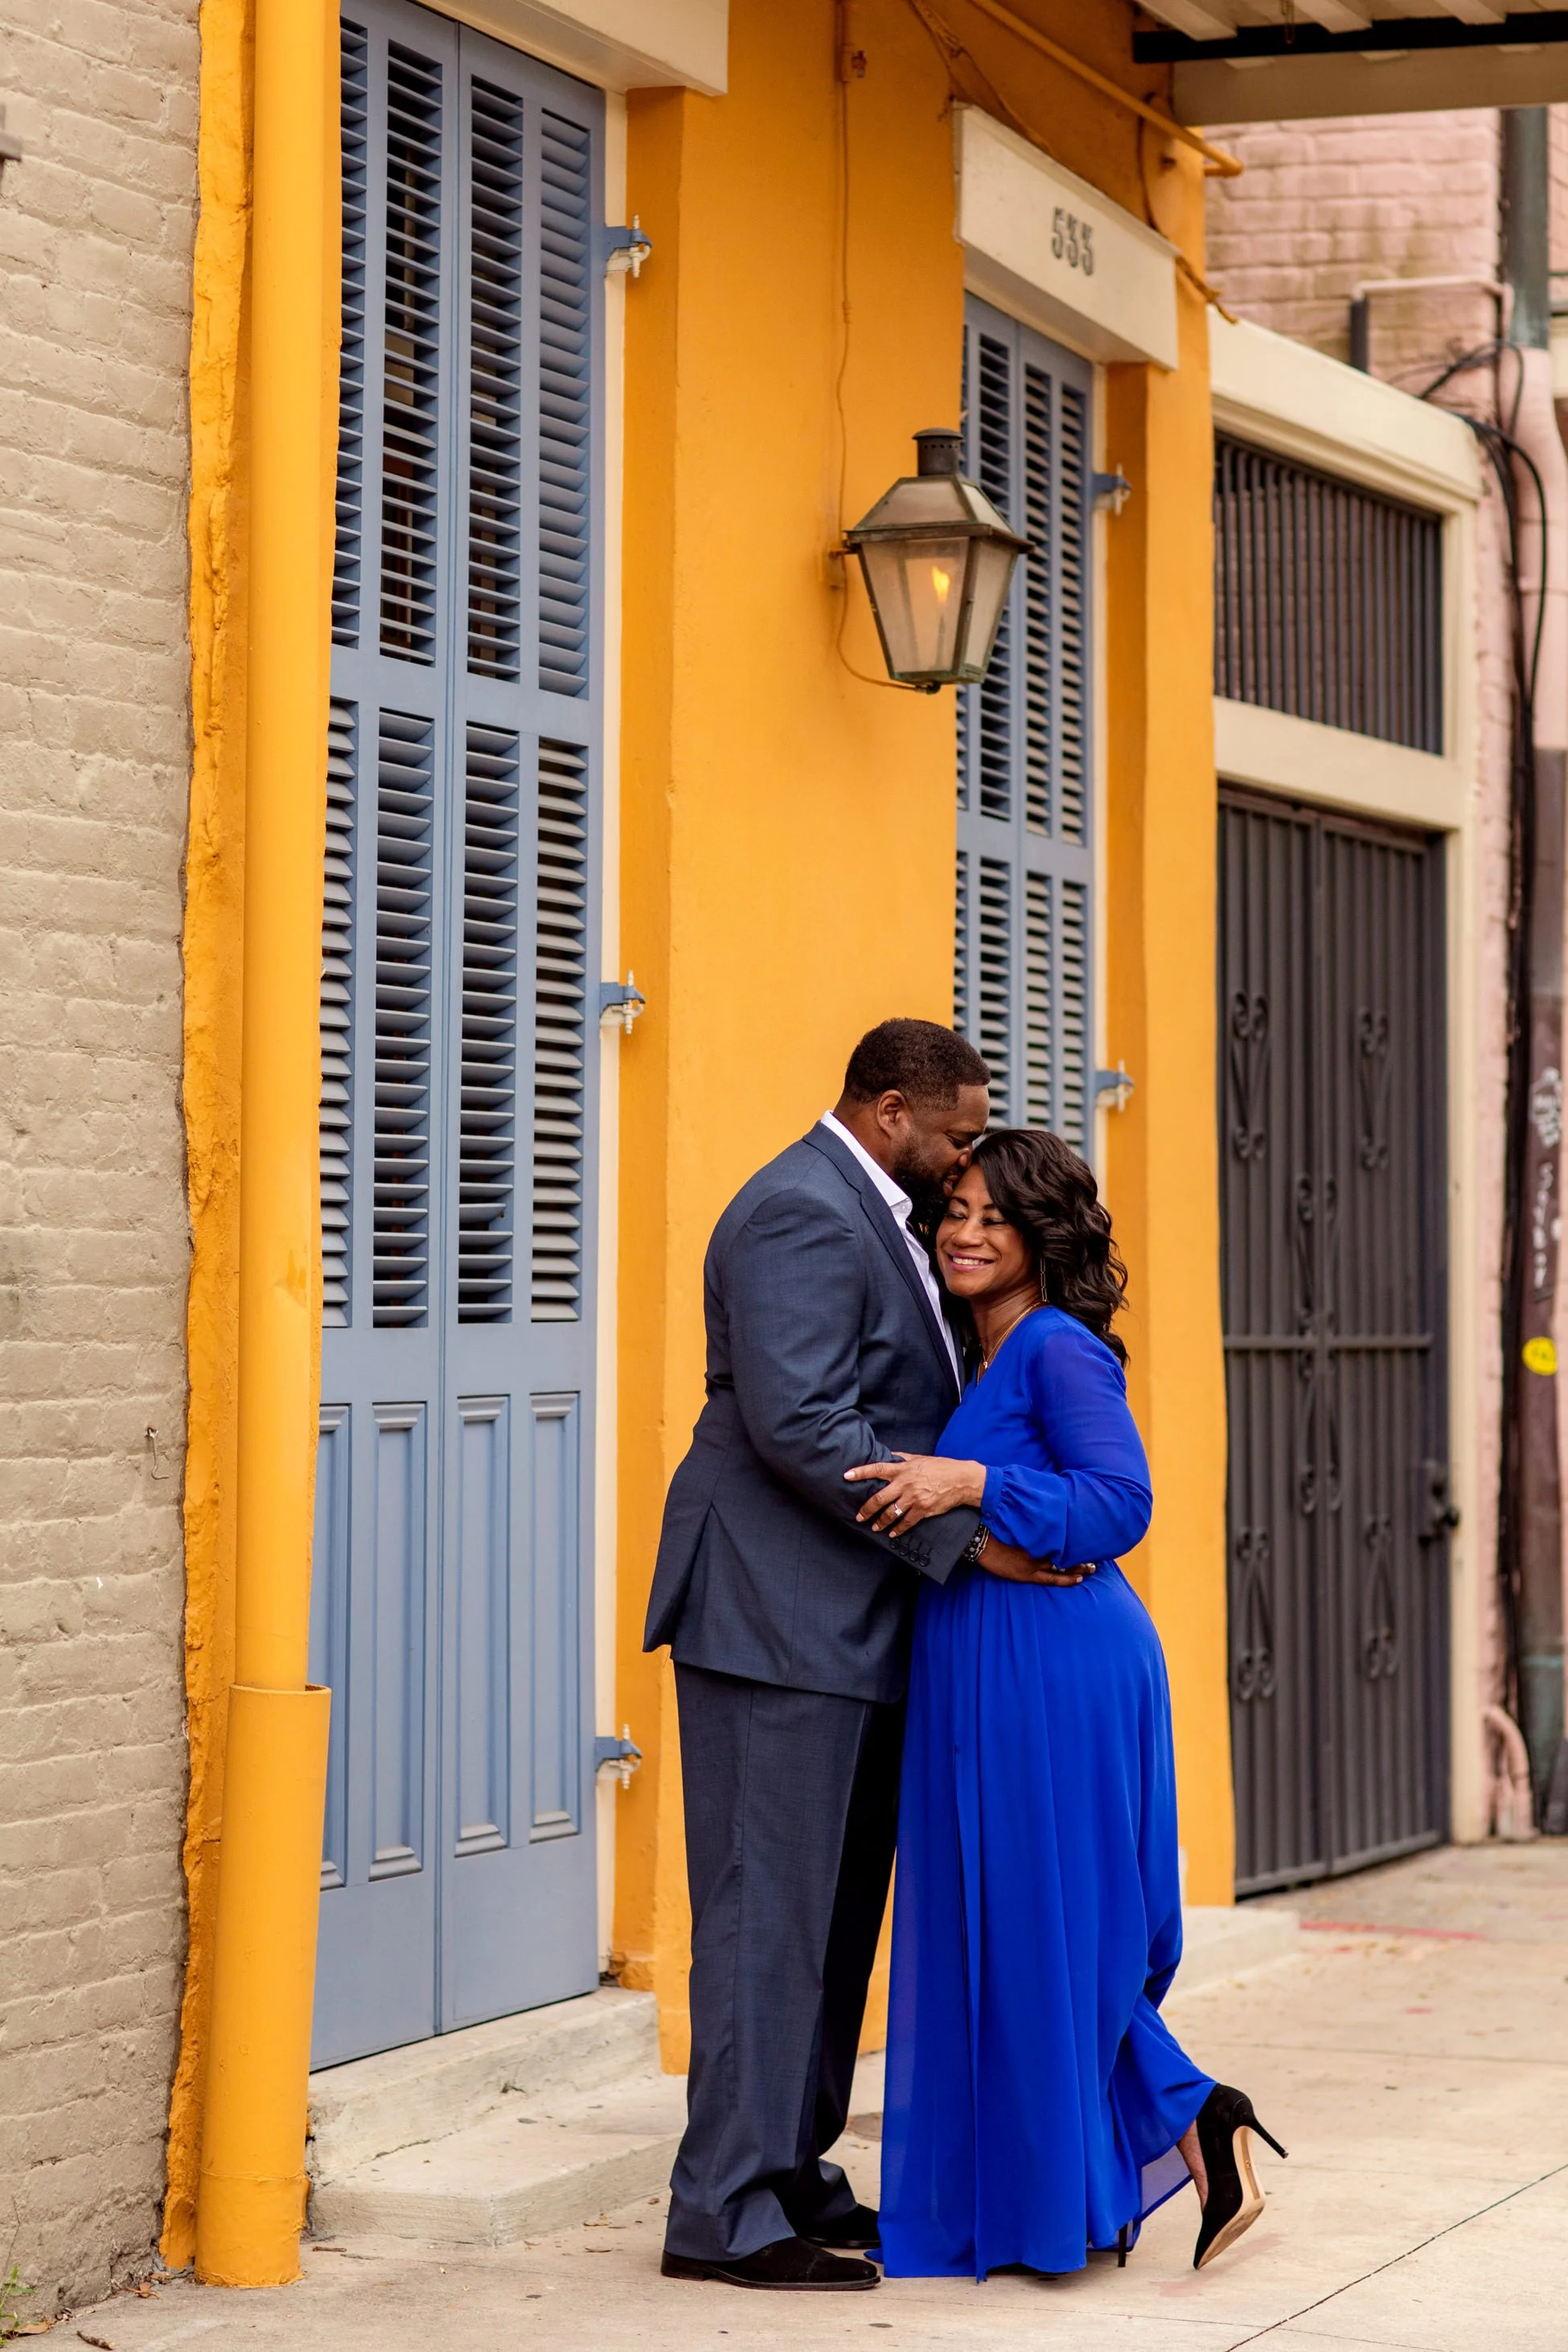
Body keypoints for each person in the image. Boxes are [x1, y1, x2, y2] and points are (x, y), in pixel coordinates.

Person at [847, 1128, 1287, 2280]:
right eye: (954, 1209)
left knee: (1049, 1927)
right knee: (1009, 1930)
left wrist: (978, 1484)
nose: (965, 1232)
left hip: (1051, 1671)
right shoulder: (979, 1352)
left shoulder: (1054, 1349)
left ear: (1044, 1236)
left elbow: (1118, 1503)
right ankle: (1187, 2124)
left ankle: (1166, 2127)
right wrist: (981, 1530)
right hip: (983, 1661)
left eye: (994, 1216)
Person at [644, 1018, 994, 2292]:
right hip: (770, 1617)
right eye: (956, 1136)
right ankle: (721, 2214)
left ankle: (791, 2169)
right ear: (889, 1109)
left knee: (833, 1924)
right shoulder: (799, 1209)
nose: (967, 1163)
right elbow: (804, 1422)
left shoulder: (871, 1208)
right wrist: (974, 1537)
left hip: (847, 1620)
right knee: (761, 1921)